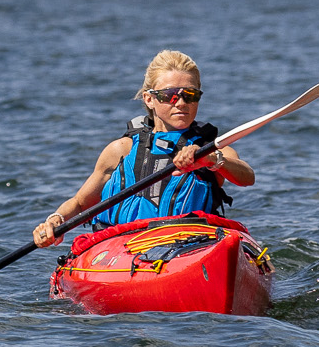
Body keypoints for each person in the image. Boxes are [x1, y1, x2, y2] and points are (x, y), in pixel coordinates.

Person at [33, 49, 255, 248]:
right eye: (169, 95)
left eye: (190, 95)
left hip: (190, 244)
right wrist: (55, 221)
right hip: (121, 250)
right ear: (149, 99)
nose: (181, 103)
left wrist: (211, 160)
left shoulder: (210, 147)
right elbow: (81, 203)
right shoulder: (120, 150)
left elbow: (247, 177)